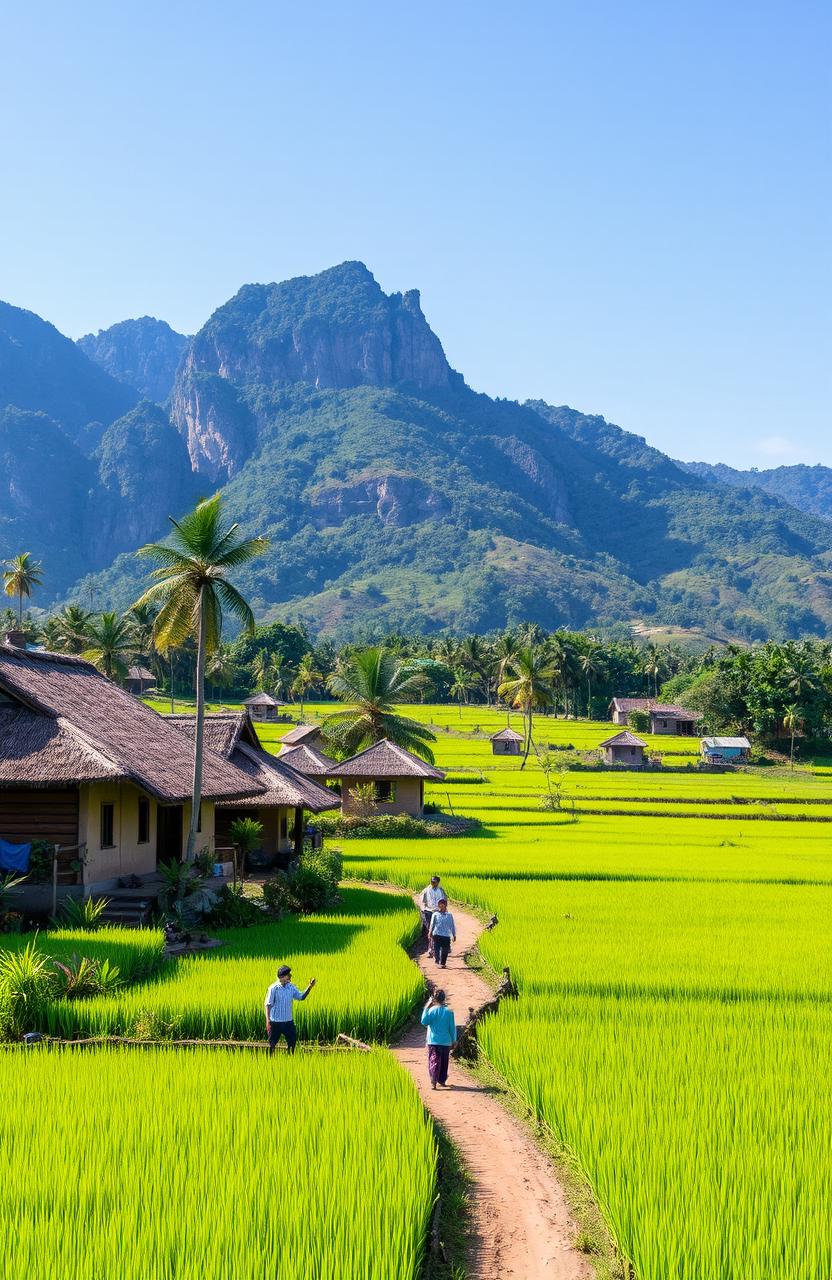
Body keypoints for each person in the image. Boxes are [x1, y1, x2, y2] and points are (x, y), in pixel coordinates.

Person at [264, 964, 316, 1055]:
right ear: (282, 976)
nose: (290, 976)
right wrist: (268, 1021)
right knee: (271, 1045)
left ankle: (290, 1061)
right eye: (289, 975)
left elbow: (301, 997)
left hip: (288, 1022)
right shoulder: (273, 988)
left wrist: (310, 986)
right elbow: (267, 1005)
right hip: (275, 1022)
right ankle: (269, 1062)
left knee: (292, 1044)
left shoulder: (291, 987)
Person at [420, 989, 457, 1089]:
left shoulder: (431, 1010)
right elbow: (452, 1028)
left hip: (433, 1041)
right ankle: (441, 1080)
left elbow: (424, 1021)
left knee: (434, 1060)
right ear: (444, 999)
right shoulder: (449, 1012)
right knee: (444, 1061)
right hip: (445, 1041)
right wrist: (454, 1040)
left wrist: (427, 1005)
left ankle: (433, 1079)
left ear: (435, 999)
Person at [428, 898, 456, 968]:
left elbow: (452, 925)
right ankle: (437, 962)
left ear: (446, 906)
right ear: (438, 906)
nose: (441, 907)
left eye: (443, 905)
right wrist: (430, 932)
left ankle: (443, 963)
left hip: (446, 935)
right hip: (437, 934)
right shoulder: (435, 914)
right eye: (440, 905)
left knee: (445, 950)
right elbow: (432, 924)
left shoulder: (449, 915)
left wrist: (453, 934)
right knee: (436, 949)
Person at [420, 875, 444, 955]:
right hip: (428, 912)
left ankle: (436, 947)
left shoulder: (441, 891)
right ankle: (430, 948)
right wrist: (423, 910)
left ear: (438, 882)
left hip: (437, 912)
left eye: (435, 882)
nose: (433, 883)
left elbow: (444, 901)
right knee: (429, 931)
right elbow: (422, 901)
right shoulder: (426, 890)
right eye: (432, 882)